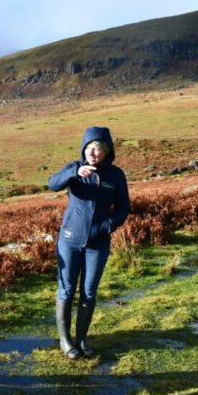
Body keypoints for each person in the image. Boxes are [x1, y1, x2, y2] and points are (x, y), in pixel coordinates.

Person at [47, 126, 130, 359]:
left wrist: (106, 226)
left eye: (99, 148)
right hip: (69, 240)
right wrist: (73, 174)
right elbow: (52, 183)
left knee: (89, 292)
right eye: (90, 147)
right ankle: (65, 342)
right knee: (66, 289)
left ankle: (81, 339)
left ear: (107, 152)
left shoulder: (116, 176)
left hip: (98, 243)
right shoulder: (74, 168)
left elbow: (124, 208)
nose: (94, 152)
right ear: (84, 148)